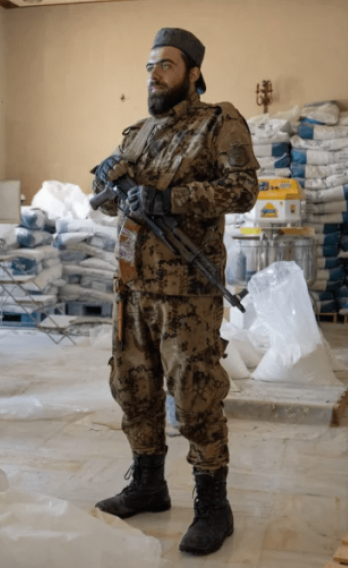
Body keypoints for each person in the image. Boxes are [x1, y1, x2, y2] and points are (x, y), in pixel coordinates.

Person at [90, 28, 259, 556]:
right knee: (133, 387)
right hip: (133, 287)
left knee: (195, 396)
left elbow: (244, 191)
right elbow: (113, 200)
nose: (153, 75)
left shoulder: (218, 122)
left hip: (187, 293)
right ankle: (148, 484)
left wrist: (169, 199)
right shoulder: (138, 133)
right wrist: (107, 182)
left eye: (165, 65)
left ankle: (213, 505)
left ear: (192, 74)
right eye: (148, 66)